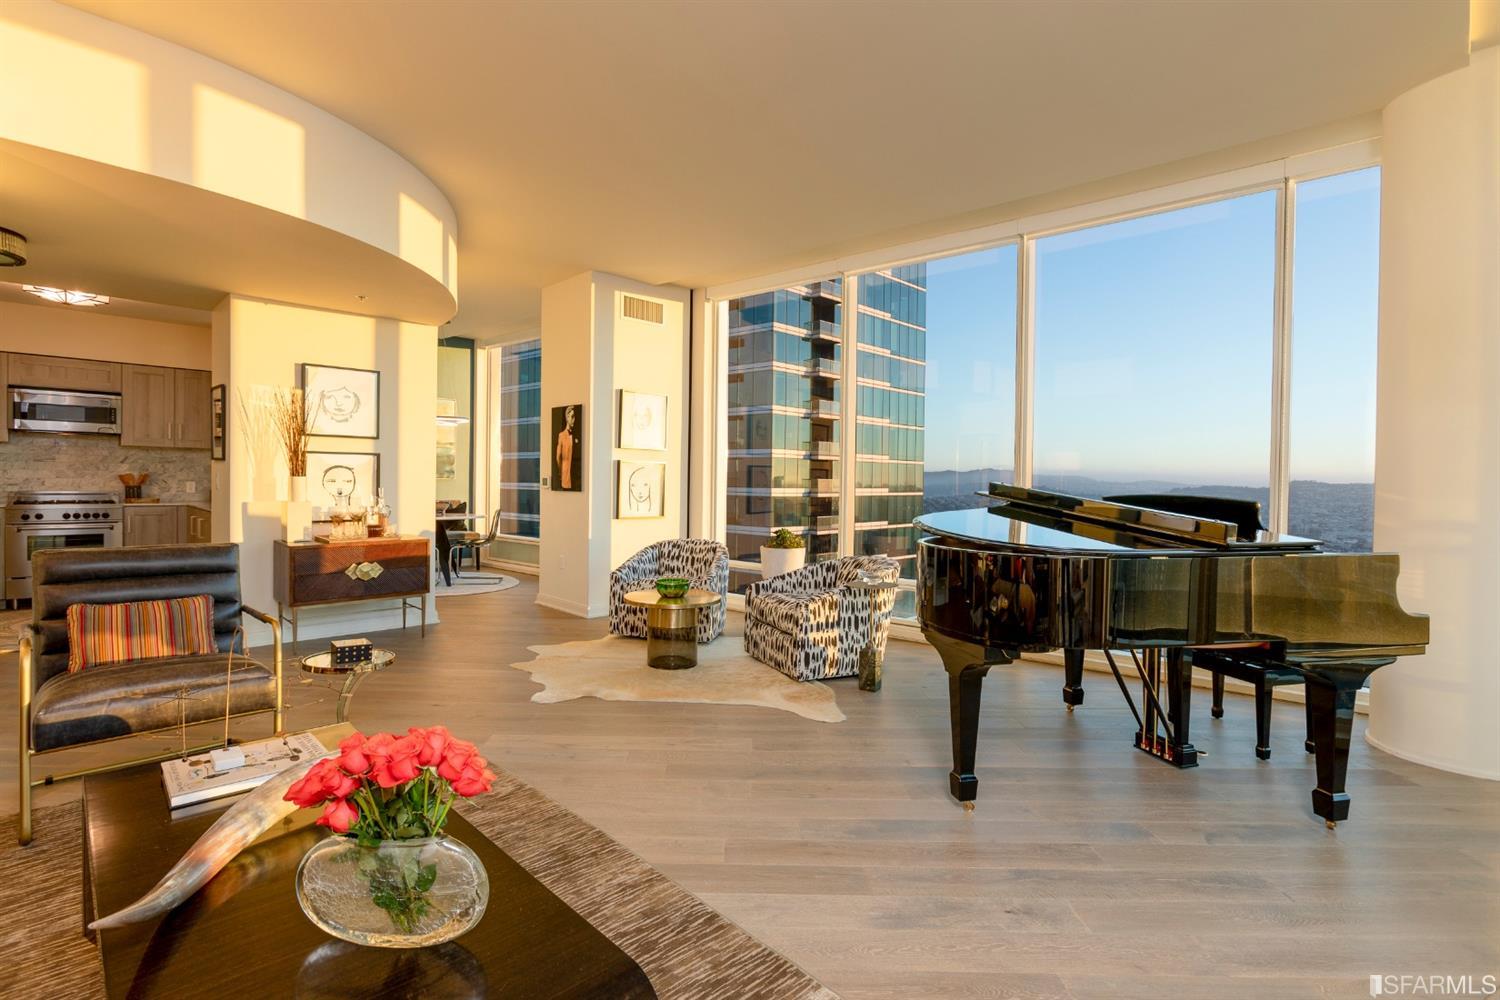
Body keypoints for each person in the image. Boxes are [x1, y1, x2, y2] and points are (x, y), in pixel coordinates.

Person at [555, 405, 578, 490]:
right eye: (572, 416)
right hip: (566, 475)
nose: (573, 419)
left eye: (574, 417)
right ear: (567, 417)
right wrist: (561, 472)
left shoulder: (576, 436)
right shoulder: (561, 435)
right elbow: (558, 457)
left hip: (575, 477)